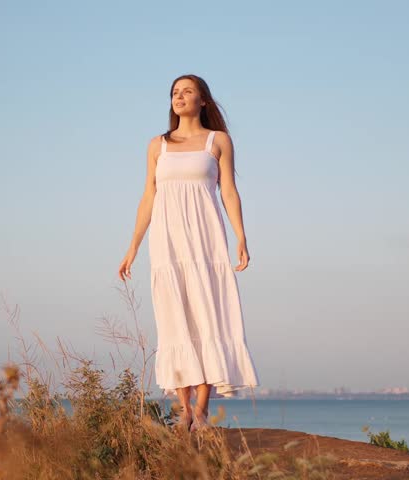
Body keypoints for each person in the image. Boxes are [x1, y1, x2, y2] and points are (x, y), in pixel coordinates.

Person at [118, 74, 259, 432]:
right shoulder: (157, 146)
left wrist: (241, 236)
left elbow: (228, 191)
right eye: (175, 93)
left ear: (203, 101)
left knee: (207, 314)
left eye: (187, 92)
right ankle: (184, 412)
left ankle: (201, 410)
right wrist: (133, 246)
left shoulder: (218, 141)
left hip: (205, 241)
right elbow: (148, 196)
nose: (180, 97)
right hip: (167, 244)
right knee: (174, 319)